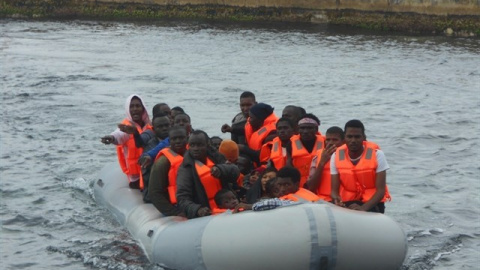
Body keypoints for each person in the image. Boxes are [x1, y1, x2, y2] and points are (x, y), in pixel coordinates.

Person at [176, 130, 240, 219]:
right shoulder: (186, 168)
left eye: (199, 145)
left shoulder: (216, 157)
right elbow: (182, 198)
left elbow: (235, 171)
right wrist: (197, 210)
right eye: (192, 145)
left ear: (207, 144)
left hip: (228, 208)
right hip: (206, 215)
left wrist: (221, 169)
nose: (195, 148)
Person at [330, 120, 391, 213]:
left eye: (357, 137)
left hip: (372, 203)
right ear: (344, 138)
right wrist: (336, 199)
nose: (353, 140)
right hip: (347, 202)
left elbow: (381, 191)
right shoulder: (336, 155)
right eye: (349, 137)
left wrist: (363, 208)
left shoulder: (377, 154)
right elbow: (334, 191)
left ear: (364, 137)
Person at [101, 94, 151, 189]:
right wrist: (112, 138)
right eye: (131, 106)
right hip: (135, 177)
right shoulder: (126, 128)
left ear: (143, 108)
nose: (135, 109)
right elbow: (119, 135)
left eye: (138, 106)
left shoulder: (150, 126)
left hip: (150, 171)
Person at [234, 167, 320, 212]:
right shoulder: (305, 192)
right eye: (279, 185)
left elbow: (278, 203)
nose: (282, 189)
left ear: (296, 184)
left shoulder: (295, 196)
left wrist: (251, 206)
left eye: (286, 185)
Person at [148, 126, 188, 216]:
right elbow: (154, 192)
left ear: (187, 138)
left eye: (181, 138)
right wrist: (174, 212)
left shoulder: (194, 155)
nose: (178, 141)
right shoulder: (162, 163)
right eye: (174, 139)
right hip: (175, 207)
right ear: (169, 141)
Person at [307, 126, 345, 201]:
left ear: (343, 142)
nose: (330, 143)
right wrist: (322, 163)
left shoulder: (349, 156)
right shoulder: (317, 157)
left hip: (344, 200)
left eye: (335, 140)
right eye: (328, 140)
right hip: (323, 200)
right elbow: (311, 187)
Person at [289, 114, 325, 188]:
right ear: (298, 129)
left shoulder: (325, 142)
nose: (305, 131)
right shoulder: (291, 144)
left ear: (316, 129)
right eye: (302, 128)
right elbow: (289, 165)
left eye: (309, 128)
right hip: (299, 185)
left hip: (320, 182)